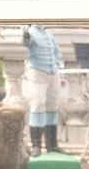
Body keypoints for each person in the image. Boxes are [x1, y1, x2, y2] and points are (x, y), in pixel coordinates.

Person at [21, 25, 66, 156]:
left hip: (53, 73)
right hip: (37, 73)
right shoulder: (31, 32)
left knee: (52, 105)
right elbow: (26, 42)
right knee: (37, 105)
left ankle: (52, 145)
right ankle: (36, 145)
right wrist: (25, 36)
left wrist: (56, 64)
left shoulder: (49, 35)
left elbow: (57, 51)